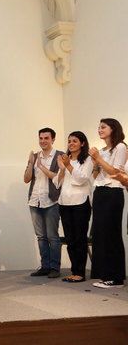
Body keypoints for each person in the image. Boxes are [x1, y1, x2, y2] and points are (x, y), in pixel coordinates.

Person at [89, 118, 126, 288]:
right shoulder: (103, 150)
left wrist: (99, 159)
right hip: (100, 192)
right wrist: (95, 163)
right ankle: (105, 274)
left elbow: (115, 172)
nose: (99, 129)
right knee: (100, 233)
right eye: (98, 127)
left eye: (103, 127)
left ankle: (116, 277)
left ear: (113, 129)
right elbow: (97, 175)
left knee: (112, 234)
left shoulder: (120, 147)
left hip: (113, 192)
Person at [52, 132, 93, 283]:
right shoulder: (65, 160)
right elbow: (57, 183)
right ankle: (74, 270)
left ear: (82, 143)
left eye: (75, 141)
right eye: (69, 141)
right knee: (70, 239)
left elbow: (82, 179)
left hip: (80, 203)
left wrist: (68, 165)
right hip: (64, 203)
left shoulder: (87, 159)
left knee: (79, 238)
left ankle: (80, 273)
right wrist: (62, 168)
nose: (71, 144)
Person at [23, 127, 63, 278]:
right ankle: (45, 266)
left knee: (53, 236)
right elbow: (26, 179)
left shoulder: (60, 156)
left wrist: (40, 166)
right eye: (41, 138)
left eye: (46, 138)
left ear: (53, 139)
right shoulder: (34, 156)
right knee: (41, 236)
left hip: (51, 200)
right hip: (34, 200)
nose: (43, 141)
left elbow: (58, 178)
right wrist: (30, 164)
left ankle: (55, 267)